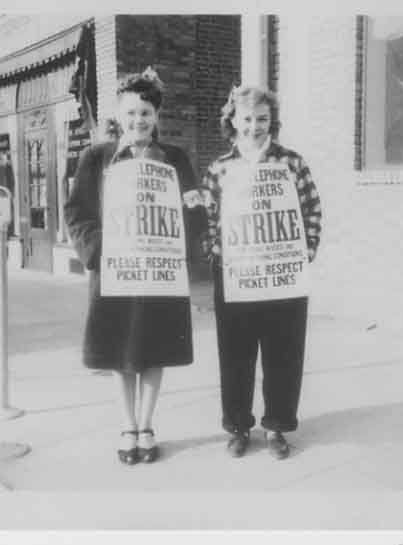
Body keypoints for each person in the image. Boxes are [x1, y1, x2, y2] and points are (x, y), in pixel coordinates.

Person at [65, 67, 205, 465]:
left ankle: (147, 424)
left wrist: (187, 237)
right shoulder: (97, 159)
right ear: (118, 115)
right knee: (121, 352)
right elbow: (76, 213)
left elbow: (194, 210)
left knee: (154, 350)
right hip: (116, 272)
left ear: (156, 115)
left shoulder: (175, 159)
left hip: (160, 271)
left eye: (146, 112)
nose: (138, 120)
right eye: (131, 113)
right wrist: (98, 249)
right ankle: (128, 425)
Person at [201, 85, 322, 459]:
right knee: (235, 355)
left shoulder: (292, 163)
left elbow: (311, 211)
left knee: (283, 353)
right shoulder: (220, 168)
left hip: (283, 276)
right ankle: (238, 426)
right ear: (233, 121)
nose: (254, 126)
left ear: (273, 121)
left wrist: (302, 254)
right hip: (236, 277)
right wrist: (219, 257)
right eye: (247, 118)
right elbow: (208, 222)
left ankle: (277, 426)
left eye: (262, 119)